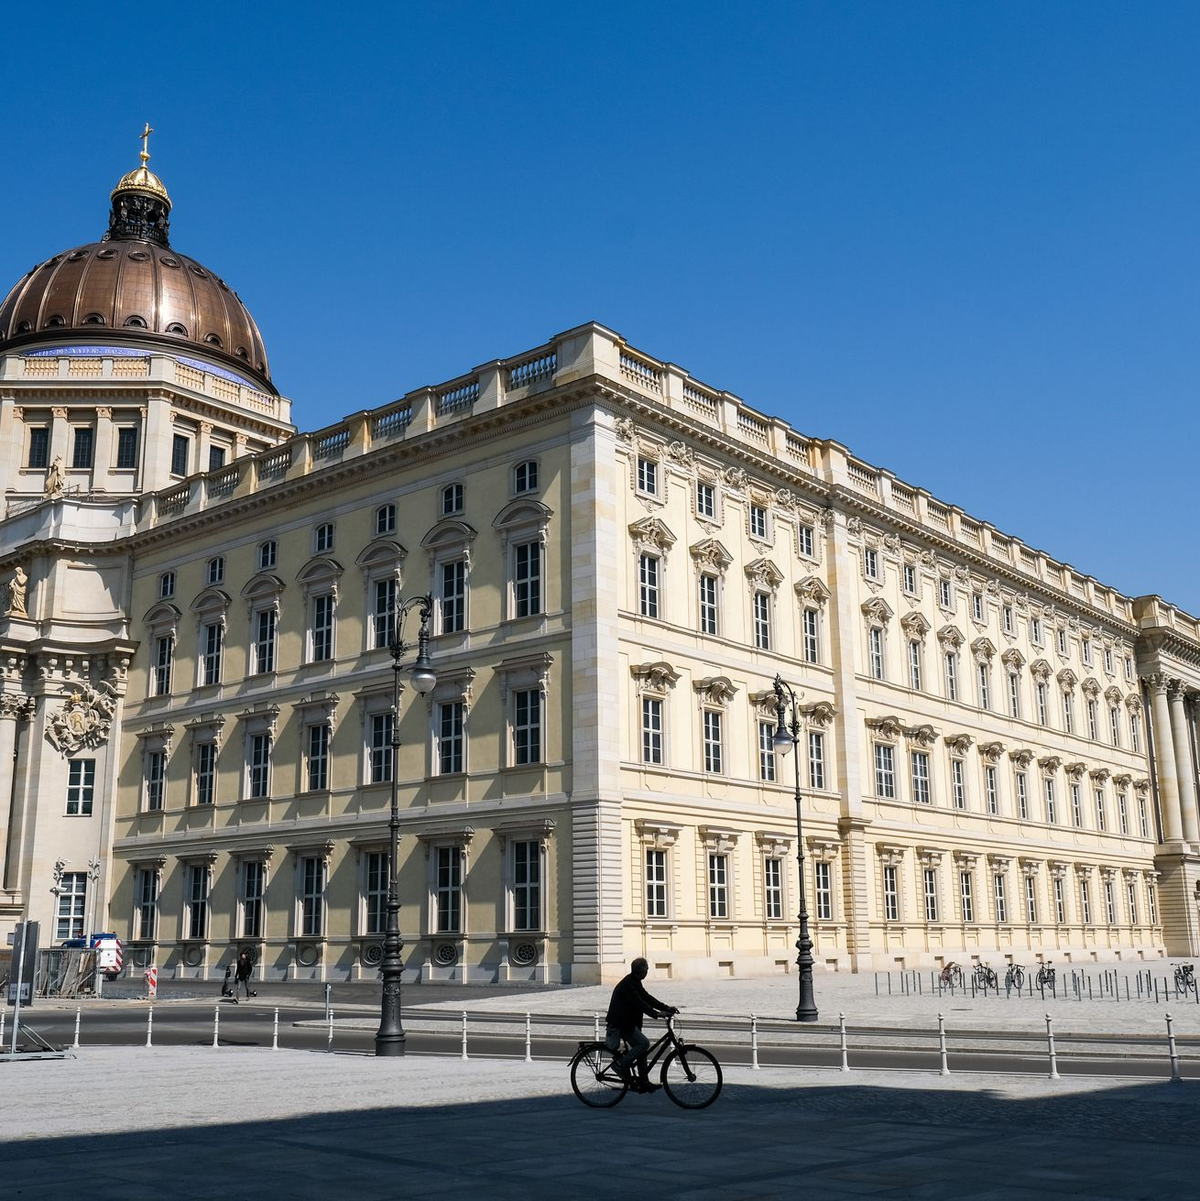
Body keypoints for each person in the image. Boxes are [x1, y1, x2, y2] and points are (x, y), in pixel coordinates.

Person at [605, 958, 677, 1093]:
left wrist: (666, 1008)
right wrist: (656, 1014)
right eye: (647, 968)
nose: (648, 971)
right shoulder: (629, 984)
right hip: (621, 1024)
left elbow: (647, 998)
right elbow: (640, 1003)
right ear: (641, 970)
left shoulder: (634, 981)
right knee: (643, 1044)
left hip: (628, 1022)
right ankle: (620, 1065)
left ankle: (644, 1083)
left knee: (642, 1052)